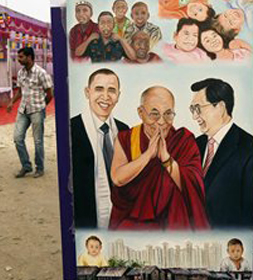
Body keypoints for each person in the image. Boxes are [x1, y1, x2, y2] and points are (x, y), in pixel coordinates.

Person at [109, 86, 209, 230]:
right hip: (132, 222)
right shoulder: (127, 138)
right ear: (141, 113)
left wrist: (166, 158)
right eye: (154, 114)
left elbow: (193, 186)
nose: (162, 122)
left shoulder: (184, 140)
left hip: (172, 224)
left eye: (168, 114)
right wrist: (148, 155)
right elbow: (117, 178)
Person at [190, 78, 253, 228]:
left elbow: (251, 213)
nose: (194, 116)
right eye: (192, 109)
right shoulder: (195, 144)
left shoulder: (249, 148)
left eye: (198, 108)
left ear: (220, 107)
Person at [71, 69, 129, 229]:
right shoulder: (72, 130)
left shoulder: (125, 131)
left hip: (121, 221)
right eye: (99, 89)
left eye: (111, 90)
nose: (105, 96)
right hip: (86, 221)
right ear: (87, 92)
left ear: (118, 96)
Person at [6, 47, 53, 178]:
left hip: (37, 110)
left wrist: (42, 106)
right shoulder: (21, 73)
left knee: (38, 141)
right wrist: (11, 103)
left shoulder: (41, 73)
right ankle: (26, 166)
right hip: (23, 110)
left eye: (21, 57)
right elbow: (20, 91)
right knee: (17, 138)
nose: (18, 59)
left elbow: (49, 93)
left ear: (29, 57)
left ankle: (40, 168)